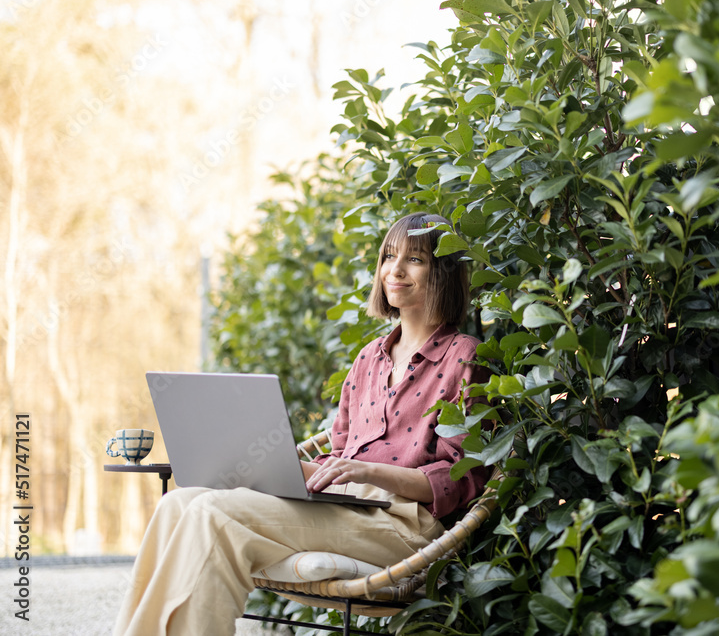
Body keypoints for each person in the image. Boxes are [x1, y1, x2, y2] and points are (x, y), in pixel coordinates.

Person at [113, 212, 489, 636]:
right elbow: (341, 454)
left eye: (415, 259)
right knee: (176, 504)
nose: (394, 270)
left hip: (405, 526)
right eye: (388, 256)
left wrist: (368, 472)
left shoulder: (464, 357)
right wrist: (266, 466)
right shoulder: (368, 359)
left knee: (212, 515)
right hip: (343, 505)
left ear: (443, 272)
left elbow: (463, 479)